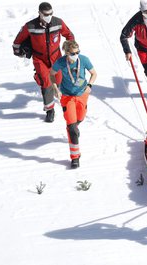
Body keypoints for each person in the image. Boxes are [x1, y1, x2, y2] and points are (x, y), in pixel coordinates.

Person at [12, 2, 75, 122]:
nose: (49, 16)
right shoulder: (30, 26)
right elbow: (17, 42)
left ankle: (53, 89)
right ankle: (50, 110)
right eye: (46, 14)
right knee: (46, 82)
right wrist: (19, 51)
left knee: (58, 79)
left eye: (51, 14)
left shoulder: (58, 23)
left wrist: (70, 50)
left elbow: (70, 35)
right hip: (39, 59)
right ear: (40, 13)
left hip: (56, 57)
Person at [50, 40, 97, 169]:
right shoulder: (60, 62)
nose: (75, 55)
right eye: (72, 53)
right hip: (67, 96)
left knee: (79, 119)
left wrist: (90, 85)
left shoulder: (84, 60)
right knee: (71, 128)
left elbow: (94, 73)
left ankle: (74, 128)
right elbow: (52, 74)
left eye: (77, 52)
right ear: (66, 53)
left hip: (82, 94)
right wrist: (56, 88)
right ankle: (75, 157)